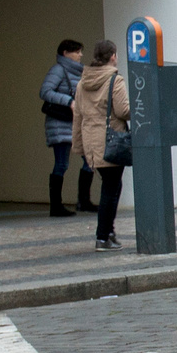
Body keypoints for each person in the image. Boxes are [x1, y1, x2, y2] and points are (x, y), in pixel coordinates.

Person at [72, 40, 132, 251]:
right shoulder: (114, 79)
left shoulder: (82, 82)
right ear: (113, 56)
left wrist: (79, 145)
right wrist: (141, 107)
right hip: (111, 141)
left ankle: (109, 231)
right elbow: (124, 110)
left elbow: (77, 115)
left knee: (112, 185)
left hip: (92, 141)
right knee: (110, 188)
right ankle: (102, 236)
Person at [41, 39, 93, 217]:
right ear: (65, 53)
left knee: (90, 160)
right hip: (60, 123)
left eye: (80, 51)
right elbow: (45, 91)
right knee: (62, 163)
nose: (80, 55)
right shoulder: (58, 70)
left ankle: (84, 201)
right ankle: (56, 206)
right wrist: (68, 101)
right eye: (77, 51)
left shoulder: (80, 72)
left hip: (77, 123)